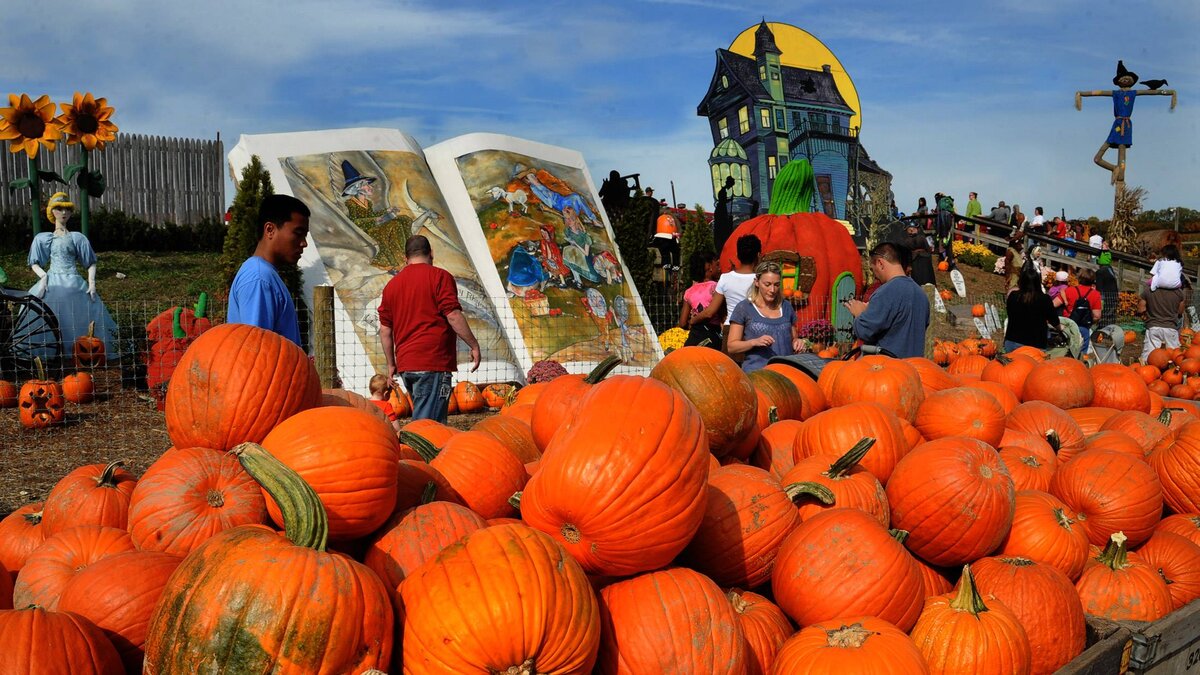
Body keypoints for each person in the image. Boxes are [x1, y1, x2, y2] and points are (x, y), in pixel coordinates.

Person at [378, 235, 481, 423]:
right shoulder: (440, 277)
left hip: (407, 365)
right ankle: (415, 452)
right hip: (432, 362)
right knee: (428, 428)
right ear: (431, 253)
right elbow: (453, 315)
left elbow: (385, 330)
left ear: (405, 257)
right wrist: (474, 345)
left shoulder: (391, 286)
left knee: (425, 420)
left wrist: (391, 364)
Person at [17, 191, 119, 358]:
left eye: (67, 209)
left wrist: (92, 283)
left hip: (74, 282)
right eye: (59, 209)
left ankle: (80, 351)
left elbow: (90, 262)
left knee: (81, 312)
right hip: (52, 280)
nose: (63, 213)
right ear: (52, 212)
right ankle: (49, 350)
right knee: (38, 308)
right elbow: (34, 262)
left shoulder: (77, 238)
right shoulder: (44, 239)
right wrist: (43, 277)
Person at [228, 195, 309, 346]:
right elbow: (255, 354)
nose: (304, 243)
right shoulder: (259, 278)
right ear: (270, 230)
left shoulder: (264, 274)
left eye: (305, 235)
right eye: (298, 233)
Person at [844, 242, 930, 358]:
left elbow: (864, 331)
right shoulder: (921, 294)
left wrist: (859, 313)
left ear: (880, 263)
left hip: (887, 369)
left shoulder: (886, 292)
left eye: (873, 269)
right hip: (913, 369)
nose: (875, 275)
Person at [689, 234, 761, 353]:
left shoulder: (725, 278)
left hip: (731, 331)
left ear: (737, 255)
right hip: (755, 330)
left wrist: (693, 320)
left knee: (731, 369)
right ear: (758, 255)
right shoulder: (761, 280)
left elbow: (709, 312)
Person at [725, 261, 801, 372]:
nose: (772, 290)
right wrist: (754, 342)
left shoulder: (786, 307)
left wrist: (797, 342)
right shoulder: (744, 308)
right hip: (758, 375)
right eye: (767, 284)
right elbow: (732, 346)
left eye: (776, 285)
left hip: (786, 373)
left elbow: (793, 338)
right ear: (757, 282)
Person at [1004, 263, 1061, 352]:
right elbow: (1054, 320)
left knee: (1011, 364)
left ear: (1021, 281)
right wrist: (1060, 329)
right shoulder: (1045, 299)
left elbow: (1010, 313)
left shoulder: (1013, 296)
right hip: (1035, 345)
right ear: (1038, 282)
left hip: (1012, 341)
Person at [1139, 273, 1187, 363]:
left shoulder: (1148, 291)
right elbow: (1180, 312)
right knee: (1173, 358)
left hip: (1153, 327)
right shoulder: (1179, 293)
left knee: (1149, 358)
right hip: (1171, 328)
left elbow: (1141, 309)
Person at [678, 252, 723, 348]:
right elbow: (722, 314)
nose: (720, 268)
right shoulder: (717, 287)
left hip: (694, 337)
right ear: (709, 267)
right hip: (712, 336)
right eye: (717, 265)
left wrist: (692, 322)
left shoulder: (689, 292)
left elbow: (682, 323)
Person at [1054, 267, 1102, 354]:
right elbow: (1097, 316)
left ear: (1079, 278)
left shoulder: (1069, 290)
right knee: (1081, 355)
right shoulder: (1096, 294)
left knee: (1064, 352)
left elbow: (1053, 305)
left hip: (1067, 326)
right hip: (1083, 327)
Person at [895, 221, 935, 285]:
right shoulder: (908, 240)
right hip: (915, 259)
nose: (911, 230)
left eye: (913, 228)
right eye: (910, 229)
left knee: (926, 275)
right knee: (918, 276)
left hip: (922, 258)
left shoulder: (920, 238)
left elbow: (927, 249)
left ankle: (928, 288)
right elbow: (906, 252)